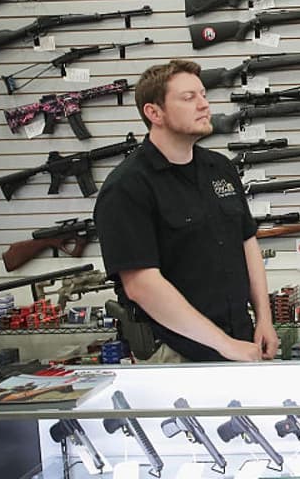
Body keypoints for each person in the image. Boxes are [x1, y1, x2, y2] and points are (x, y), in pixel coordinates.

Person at [94, 60, 278, 363]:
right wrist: (224, 344)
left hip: (241, 342)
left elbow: (247, 242)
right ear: (154, 113)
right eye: (189, 97)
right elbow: (141, 285)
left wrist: (264, 319)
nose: (204, 105)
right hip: (174, 353)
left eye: (203, 95)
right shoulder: (126, 187)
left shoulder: (220, 168)